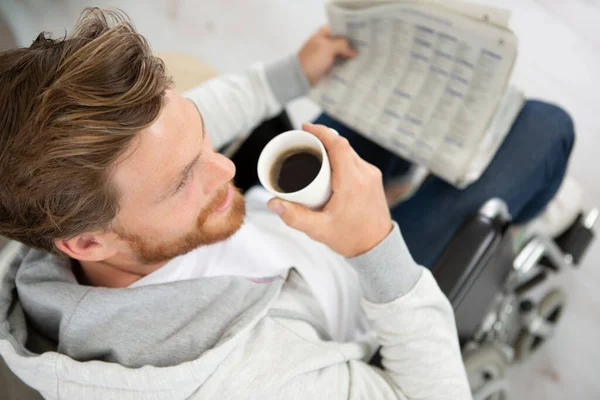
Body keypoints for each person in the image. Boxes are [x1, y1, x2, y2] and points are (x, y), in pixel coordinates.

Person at [0, 8, 573, 400]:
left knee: (383, 72)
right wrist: (376, 248)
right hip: (364, 288)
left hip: (292, 237)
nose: (225, 167)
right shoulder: (244, 380)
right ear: (88, 242)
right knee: (547, 131)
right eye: (181, 182)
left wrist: (287, 75)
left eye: (199, 135)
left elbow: (178, 135)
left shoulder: (67, 199)